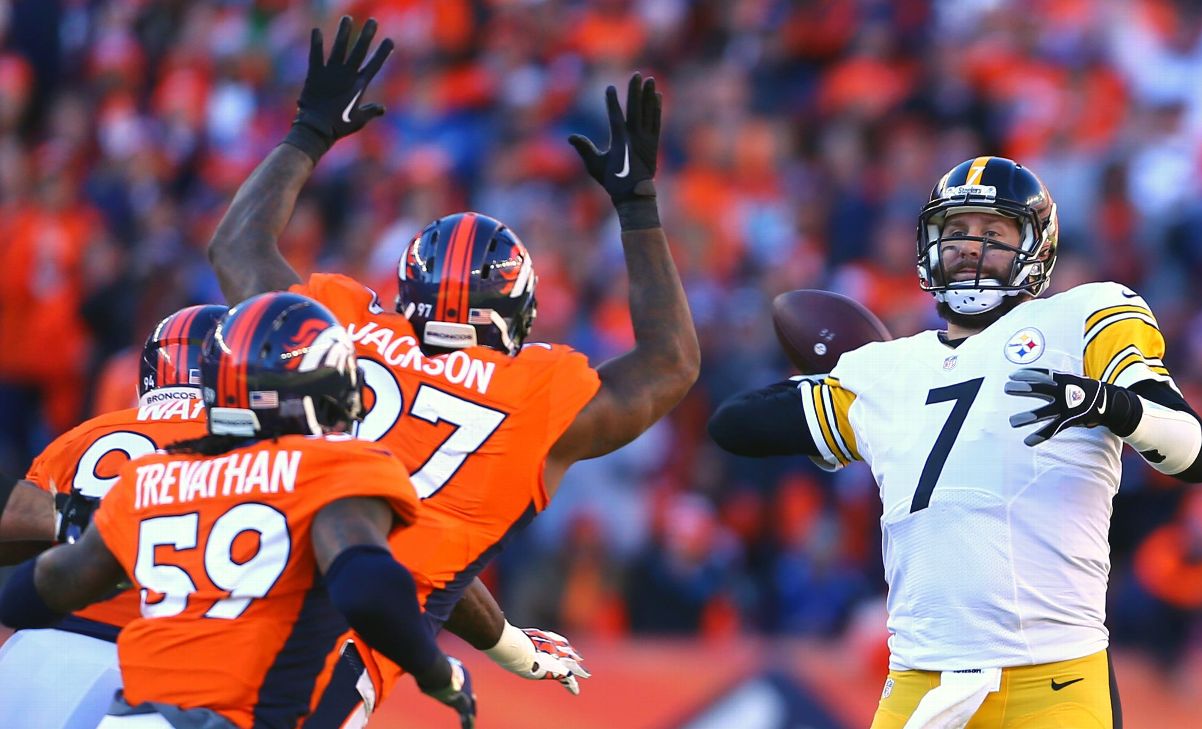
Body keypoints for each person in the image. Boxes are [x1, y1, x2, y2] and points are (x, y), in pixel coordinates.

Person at [205, 15, 699, 725]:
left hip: (216, 598)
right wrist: (638, 208)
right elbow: (671, 362)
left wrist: (308, 132)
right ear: (520, 311)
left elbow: (236, 248)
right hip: (321, 658)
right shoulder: (537, 392)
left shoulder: (346, 325)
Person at [708, 156, 1202, 729]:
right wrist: (847, 367)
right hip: (920, 682)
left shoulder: (1080, 317)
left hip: (1053, 681)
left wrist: (1110, 404)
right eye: (955, 231)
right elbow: (734, 425)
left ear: (1037, 248)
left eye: (993, 232)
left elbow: (1196, 452)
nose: (970, 247)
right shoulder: (887, 371)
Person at [0, 291, 477, 729]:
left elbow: (29, 591)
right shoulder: (329, 466)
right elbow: (370, 581)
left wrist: (106, 540)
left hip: (61, 669)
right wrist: (438, 670)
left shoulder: (138, 469)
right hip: (198, 698)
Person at [0, 304, 225, 729]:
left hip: (47, 652)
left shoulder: (89, 434)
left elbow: (21, 536)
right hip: (175, 675)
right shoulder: (265, 448)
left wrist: (74, 523)